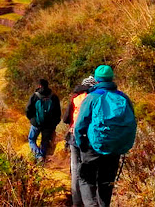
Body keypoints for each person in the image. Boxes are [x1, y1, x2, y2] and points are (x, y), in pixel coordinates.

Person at [74, 65, 137, 207]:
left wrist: (81, 144)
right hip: (115, 147)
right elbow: (132, 119)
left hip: (92, 146)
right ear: (111, 78)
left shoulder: (92, 97)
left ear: (96, 79)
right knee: (106, 183)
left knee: (86, 179)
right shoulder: (123, 97)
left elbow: (79, 126)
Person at [62, 76, 97, 207]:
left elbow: (65, 118)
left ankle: (76, 202)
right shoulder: (95, 98)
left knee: (75, 170)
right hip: (90, 138)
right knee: (89, 169)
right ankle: (90, 200)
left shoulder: (75, 97)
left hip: (74, 137)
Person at [25, 79, 61, 162]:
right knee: (45, 141)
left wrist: (31, 119)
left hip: (36, 123)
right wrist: (55, 123)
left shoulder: (35, 96)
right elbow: (57, 111)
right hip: (49, 124)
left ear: (39, 85)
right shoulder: (53, 96)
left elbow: (28, 109)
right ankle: (43, 156)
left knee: (31, 139)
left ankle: (38, 155)